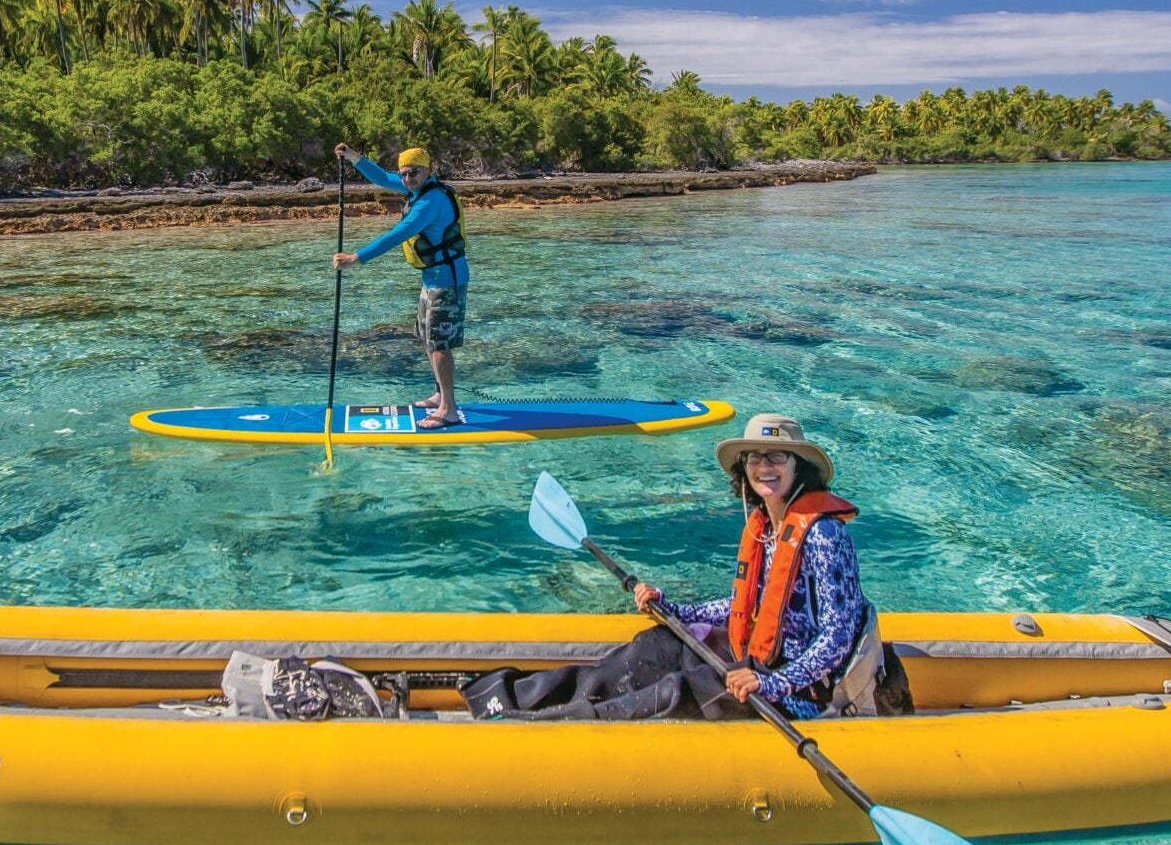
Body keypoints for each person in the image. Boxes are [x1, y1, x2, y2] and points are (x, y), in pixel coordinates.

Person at [462, 413, 872, 721]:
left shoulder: (825, 536)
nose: (764, 466)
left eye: (777, 456)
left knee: (676, 691)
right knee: (654, 646)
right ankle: (505, 696)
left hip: (795, 691)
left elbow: (837, 637)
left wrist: (773, 682)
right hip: (748, 662)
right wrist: (676, 610)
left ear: (799, 466)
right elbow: (748, 606)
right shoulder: (766, 526)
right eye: (754, 457)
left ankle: (541, 726)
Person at [331, 142, 471, 429]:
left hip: (448, 280)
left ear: (427, 170)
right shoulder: (416, 188)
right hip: (432, 278)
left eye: (413, 172)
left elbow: (399, 233)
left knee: (440, 344)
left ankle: (449, 410)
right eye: (404, 174)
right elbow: (382, 177)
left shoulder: (432, 201)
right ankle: (439, 395)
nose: (407, 179)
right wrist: (353, 156)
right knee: (427, 338)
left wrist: (356, 258)